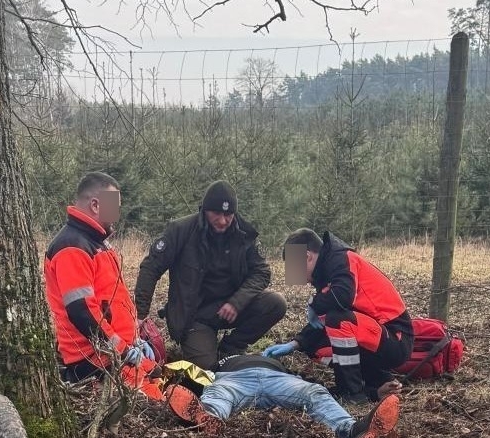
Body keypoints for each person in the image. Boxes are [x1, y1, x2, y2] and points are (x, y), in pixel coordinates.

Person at [134, 180, 288, 370]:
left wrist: (236, 302)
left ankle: (231, 348)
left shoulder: (243, 233)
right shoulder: (180, 230)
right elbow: (151, 268)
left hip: (229, 308)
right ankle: (205, 348)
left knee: (276, 303)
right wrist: (140, 313)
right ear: (205, 209)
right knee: (207, 372)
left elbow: (261, 272)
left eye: (228, 214)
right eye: (217, 213)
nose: (223, 221)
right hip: (194, 316)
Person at [44, 172, 162, 400]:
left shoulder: (96, 242)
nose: (117, 214)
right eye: (114, 206)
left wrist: (135, 340)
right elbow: (83, 313)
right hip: (95, 361)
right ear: (96, 205)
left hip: (116, 354)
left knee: (164, 380)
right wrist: (124, 351)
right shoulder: (72, 247)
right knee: (159, 403)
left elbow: (113, 299)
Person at [264, 229, 413, 404]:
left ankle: (352, 394)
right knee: (315, 347)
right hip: (373, 338)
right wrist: (296, 343)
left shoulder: (341, 259)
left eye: (293, 265)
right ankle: (375, 384)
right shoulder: (326, 271)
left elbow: (342, 298)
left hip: (395, 338)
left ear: (307, 256)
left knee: (337, 320)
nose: (299, 278)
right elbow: (324, 318)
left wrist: (313, 303)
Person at [164, 353, 401, 438]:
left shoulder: (277, 361)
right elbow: (199, 380)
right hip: (233, 378)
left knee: (314, 392)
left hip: (280, 378)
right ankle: (207, 418)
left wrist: (373, 393)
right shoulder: (221, 362)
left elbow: (325, 389)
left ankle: (353, 430)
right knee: (218, 395)